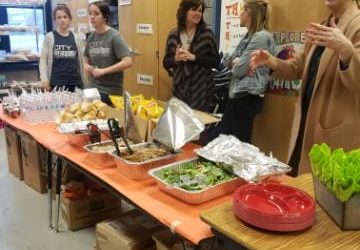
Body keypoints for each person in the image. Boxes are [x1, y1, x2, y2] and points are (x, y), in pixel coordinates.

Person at [250, 0, 360, 175]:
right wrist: (272, 61)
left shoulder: (357, 24)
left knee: (325, 194)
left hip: (336, 131)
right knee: (301, 182)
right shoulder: (325, 25)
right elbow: (297, 69)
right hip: (306, 123)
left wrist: (346, 51)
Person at [211, 0, 275, 143]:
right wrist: (236, 62)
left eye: (242, 10)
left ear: (249, 12)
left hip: (247, 96)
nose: (239, 14)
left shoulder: (261, 37)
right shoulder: (249, 36)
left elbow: (239, 69)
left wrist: (237, 62)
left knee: (236, 143)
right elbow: (229, 61)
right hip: (238, 94)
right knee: (225, 140)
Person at [163, 0, 220, 112]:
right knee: (181, 123)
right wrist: (176, 59)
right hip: (179, 88)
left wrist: (194, 57)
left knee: (198, 125)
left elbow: (216, 62)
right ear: (184, 11)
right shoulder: (173, 35)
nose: (198, 13)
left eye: (200, 11)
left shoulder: (206, 34)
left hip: (201, 89)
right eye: (194, 9)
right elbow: (165, 62)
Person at [84, 1, 132, 105]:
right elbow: (86, 57)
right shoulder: (91, 37)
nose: (92, 17)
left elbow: (128, 62)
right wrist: (87, 65)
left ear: (105, 17)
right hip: (93, 89)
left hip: (110, 91)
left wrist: (103, 71)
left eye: (96, 14)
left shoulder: (114, 36)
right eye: (90, 13)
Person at [39, 4, 85, 92]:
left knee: (76, 106)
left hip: (75, 82)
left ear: (70, 19)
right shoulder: (49, 37)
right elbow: (43, 60)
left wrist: (85, 81)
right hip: (56, 83)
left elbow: (81, 61)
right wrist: (44, 79)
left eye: (65, 17)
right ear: (55, 20)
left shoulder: (76, 37)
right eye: (59, 17)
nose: (62, 20)